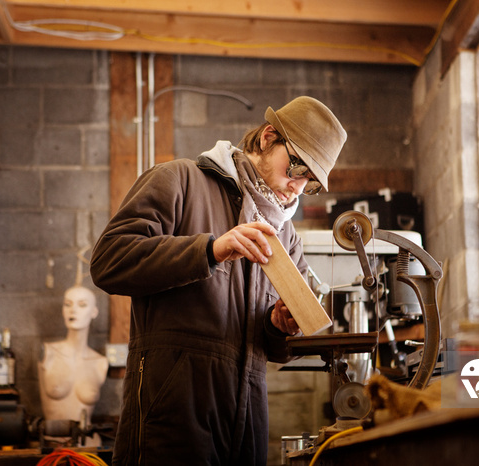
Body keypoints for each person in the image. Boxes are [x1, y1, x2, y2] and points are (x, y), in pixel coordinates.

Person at [90, 96, 346, 466]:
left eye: (311, 183)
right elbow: (108, 261)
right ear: (267, 137)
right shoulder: (178, 180)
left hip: (247, 421)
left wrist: (280, 326)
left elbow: (277, 350)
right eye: (297, 166)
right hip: (173, 415)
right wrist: (210, 250)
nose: (296, 187)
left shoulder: (285, 237)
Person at [38, 285, 109, 443]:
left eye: (82, 305)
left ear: (94, 312)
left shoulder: (100, 362)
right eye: (68, 304)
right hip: (52, 445)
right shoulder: (48, 353)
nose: (73, 310)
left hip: (88, 445)